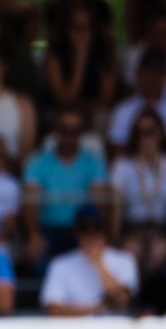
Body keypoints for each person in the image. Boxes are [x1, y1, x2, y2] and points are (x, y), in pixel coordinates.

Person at [22, 107, 109, 261]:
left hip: (83, 228)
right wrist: (33, 234)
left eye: (75, 129)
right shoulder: (36, 161)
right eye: (64, 129)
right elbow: (30, 202)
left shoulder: (95, 162)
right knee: (37, 257)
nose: (69, 134)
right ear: (55, 130)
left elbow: (98, 202)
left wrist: (92, 234)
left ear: (82, 132)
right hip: (47, 227)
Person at [108, 111, 166, 270]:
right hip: (133, 228)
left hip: (163, 228)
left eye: (150, 132)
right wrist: (114, 238)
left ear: (161, 134)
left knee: (160, 253)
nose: (144, 138)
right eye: (139, 133)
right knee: (130, 254)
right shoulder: (122, 166)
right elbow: (115, 207)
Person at [41, 206, 137, 317]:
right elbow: (54, 311)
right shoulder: (59, 264)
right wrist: (97, 308)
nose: (91, 234)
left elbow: (122, 301)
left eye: (97, 227)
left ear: (106, 231)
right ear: (76, 233)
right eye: (84, 228)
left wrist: (98, 262)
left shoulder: (124, 260)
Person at [108, 48, 166, 161]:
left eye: (159, 73)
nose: (153, 77)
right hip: (133, 172)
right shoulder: (123, 110)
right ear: (138, 73)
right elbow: (117, 153)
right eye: (149, 72)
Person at [44, 6, 116, 134]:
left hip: (92, 115)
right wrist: (80, 61)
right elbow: (64, 100)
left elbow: (105, 100)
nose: (81, 33)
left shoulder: (105, 58)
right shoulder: (54, 58)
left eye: (86, 27)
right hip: (61, 113)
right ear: (66, 30)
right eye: (76, 27)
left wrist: (82, 109)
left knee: (104, 117)